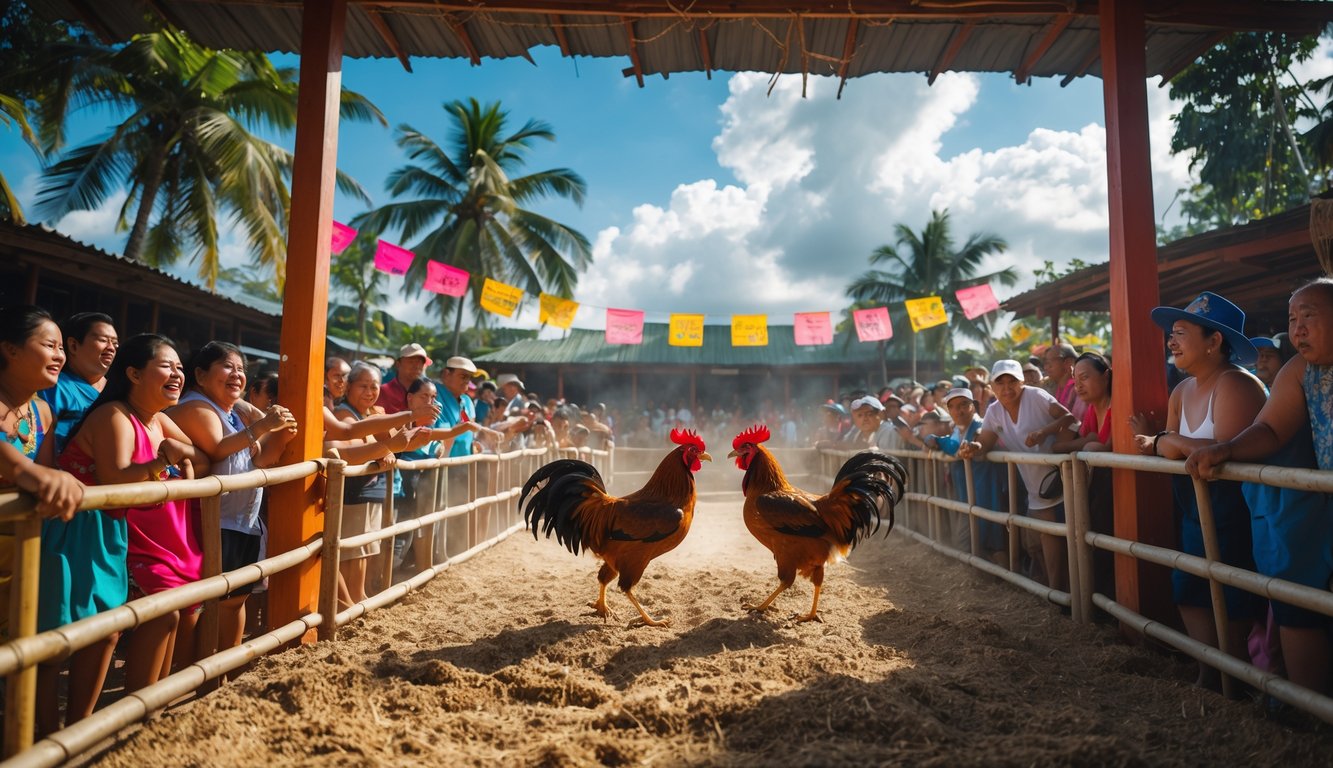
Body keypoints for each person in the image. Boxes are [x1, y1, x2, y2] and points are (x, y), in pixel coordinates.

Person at [38, 333, 211, 734]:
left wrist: (178, 452)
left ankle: (116, 720)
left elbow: (200, 458)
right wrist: (166, 458)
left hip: (115, 533)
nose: (177, 375)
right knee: (61, 638)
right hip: (79, 534)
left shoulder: (157, 419)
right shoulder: (115, 414)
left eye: (180, 368)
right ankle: (56, 733)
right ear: (133, 373)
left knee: (121, 630)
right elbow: (116, 478)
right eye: (166, 366)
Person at [1187, 280, 1333, 695]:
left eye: (1310, 316)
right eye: (1293, 319)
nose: (1298, 329)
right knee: (1300, 605)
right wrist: (1226, 449)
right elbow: (1269, 427)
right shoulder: (1302, 370)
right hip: (1324, 507)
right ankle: (1313, 716)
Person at [1132, 291, 1266, 691]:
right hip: (1192, 507)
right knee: (1189, 588)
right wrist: (1164, 443)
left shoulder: (1237, 385)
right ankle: (1210, 671)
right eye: (1171, 334)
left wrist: (1166, 442)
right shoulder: (1181, 392)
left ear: (1214, 341)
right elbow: (1169, 447)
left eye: (1181, 333)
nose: (1171, 342)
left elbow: (1224, 453)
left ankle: (1236, 676)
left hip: (1234, 509)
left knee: (1233, 591)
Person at [167, 342, 298, 653]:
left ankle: (224, 672)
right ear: (200, 374)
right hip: (211, 521)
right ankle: (193, 676)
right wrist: (265, 423)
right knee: (204, 605)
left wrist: (282, 433)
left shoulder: (234, 412)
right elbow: (217, 447)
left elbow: (260, 459)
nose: (237, 375)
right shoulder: (196, 406)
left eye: (241, 369)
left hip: (241, 522)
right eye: (228, 367)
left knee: (235, 599)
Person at [957, 359, 1076, 591]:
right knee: (1036, 545)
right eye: (1000, 383)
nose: (1006, 388)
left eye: (1012, 381)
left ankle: (1064, 599)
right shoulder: (994, 411)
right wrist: (973, 447)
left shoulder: (1036, 397)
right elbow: (986, 441)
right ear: (992, 385)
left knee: (1062, 543)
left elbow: (1070, 419)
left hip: (1060, 481)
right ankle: (1055, 595)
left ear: (1022, 382)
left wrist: (1044, 432)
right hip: (1035, 487)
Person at [2, 307, 81, 642]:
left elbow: (48, 476)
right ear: (11, 348)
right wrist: (28, 472)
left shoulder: (43, 411)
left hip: (22, 548)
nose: (60, 356)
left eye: (61, 348)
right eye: (50, 345)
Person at [1052, 351, 1115, 598]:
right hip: (1095, 492)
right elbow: (1081, 441)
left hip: (1115, 492)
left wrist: (1083, 444)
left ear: (1106, 375)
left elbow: (1104, 447)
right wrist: (1082, 443)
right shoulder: (1090, 411)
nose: (1078, 385)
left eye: (1085, 377)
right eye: (1075, 379)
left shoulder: (1118, 405)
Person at [928, 387, 1003, 559]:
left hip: (985, 492)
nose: (958, 410)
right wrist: (934, 440)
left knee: (992, 544)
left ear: (973, 406)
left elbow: (966, 445)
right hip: (969, 495)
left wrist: (937, 442)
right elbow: (954, 445)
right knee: (977, 544)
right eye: (953, 406)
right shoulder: (957, 429)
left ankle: (1001, 582)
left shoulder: (980, 425)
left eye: (963, 404)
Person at [41, 312, 118, 454]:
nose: (111, 348)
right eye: (103, 340)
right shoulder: (56, 387)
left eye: (115, 343)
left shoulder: (119, 390)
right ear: (73, 345)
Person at [377, 343, 432, 414]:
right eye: (411, 362)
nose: (417, 366)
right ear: (398, 364)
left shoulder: (428, 393)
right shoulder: (383, 392)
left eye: (420, 362)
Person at [1043, 342, 1081, 415]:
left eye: (1049, 362)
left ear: (1068, 362)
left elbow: (1077, 421)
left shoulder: (1078, 388)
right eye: (1045, 363)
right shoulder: (1058, 387)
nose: (1046, 367)